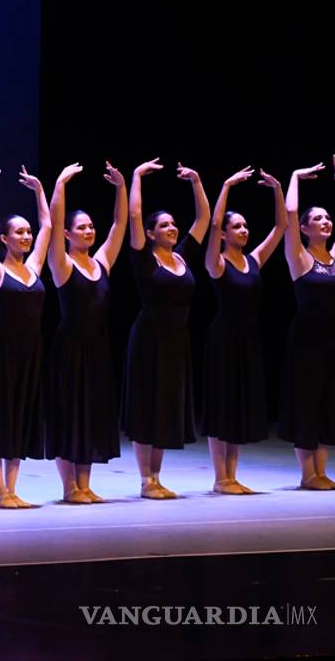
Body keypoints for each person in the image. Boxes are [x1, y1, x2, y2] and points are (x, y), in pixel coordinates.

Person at [123, 159, 210, 499]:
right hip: (149, 339)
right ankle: (146, 480)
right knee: (147, 406)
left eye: (174, 224)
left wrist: (197, 181)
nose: (173, 228)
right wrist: (136, 177)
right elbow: (132, 216)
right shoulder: (145, 258)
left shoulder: (184, 256)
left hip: (177, 340)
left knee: (164, 408)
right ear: (150, 233)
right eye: (164, 225)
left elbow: (205, 219)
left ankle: (157, 477)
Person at [44, 161, 128, 503]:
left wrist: (122, 188)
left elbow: (122, 224)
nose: (89, 231)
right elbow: (54, 222)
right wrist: (60, 185)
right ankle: (69, 488)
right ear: (68, 234)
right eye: (82, 227)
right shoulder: (62, 265)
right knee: (70, 415)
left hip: (98, 349)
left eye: (92, 227)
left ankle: (85, 484)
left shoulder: (103, 262)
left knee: (90, 414)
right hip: (69, 349)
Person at [202, 167, 285, 494]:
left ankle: (232, 477)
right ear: (224, 234)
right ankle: (220, 478)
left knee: (237, 406)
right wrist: (225, 185)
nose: (244, 230)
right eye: (236, 226)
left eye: (245, 226)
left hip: (248, 341)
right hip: (223, 339)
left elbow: (281, 227)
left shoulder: (254, 260)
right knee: (222, 405)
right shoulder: (216, 263)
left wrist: (277, 188)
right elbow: (211, 224)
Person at [0, 166, 51, 508]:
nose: (26, 237)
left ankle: (13, 490)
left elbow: (48, 226)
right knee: (0, 419)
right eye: (18, 233)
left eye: (27, 232)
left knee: (20, 417)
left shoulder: (34, 268)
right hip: (3, 353)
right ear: (3, 238)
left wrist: (39, 191)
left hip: (31, 352)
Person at [279, 158, 335, 490]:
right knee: (307, 401)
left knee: (328, 402)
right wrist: (295, 177)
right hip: (307, 341)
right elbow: (289, 216)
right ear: (305, 229)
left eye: (328, 217)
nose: (325, 221)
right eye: (317, 218)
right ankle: (308, 475)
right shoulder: (300, 257)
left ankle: (322, 471)